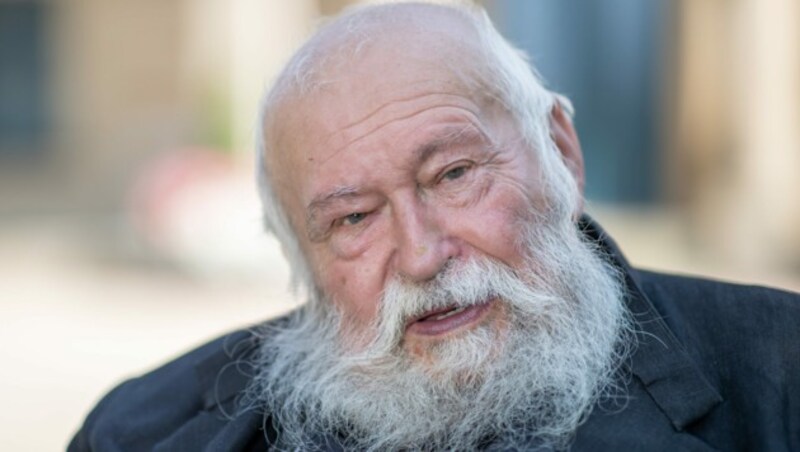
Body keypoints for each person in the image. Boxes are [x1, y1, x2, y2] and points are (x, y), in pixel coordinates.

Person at [69, 2, 800, 451]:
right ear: (301, 256)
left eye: (453, 176)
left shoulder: (779, 374)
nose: (421, 255)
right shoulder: (141, 433)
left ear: (563, 155)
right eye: (354, 217)